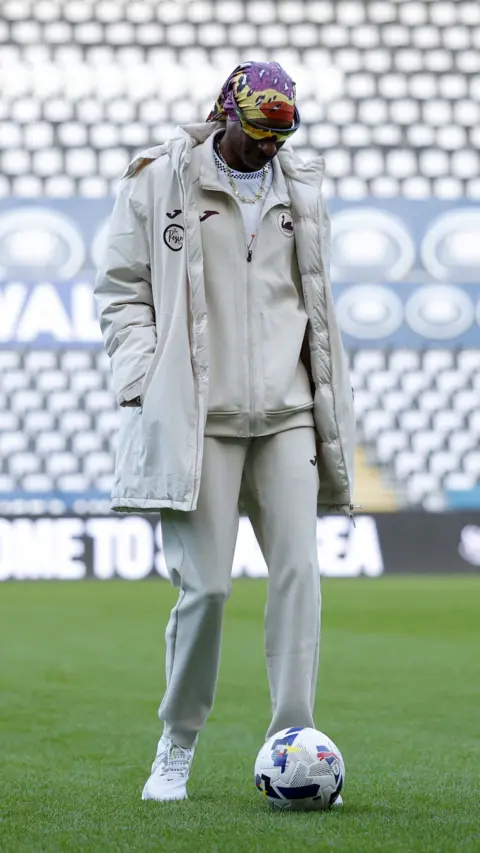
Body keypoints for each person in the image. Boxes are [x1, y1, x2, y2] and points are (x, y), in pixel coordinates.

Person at [95, 61, 355, 804]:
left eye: (282, 135)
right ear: (225, 113)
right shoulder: (158, 180)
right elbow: (120, 288)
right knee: (205, 588)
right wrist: (146, 376)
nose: (269, 146)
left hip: (288, 413)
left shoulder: (302, 188)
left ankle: (295, 745)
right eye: (259, 131)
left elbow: (311, 299)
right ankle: (176, 744)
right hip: (198, 416)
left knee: (300, 577)